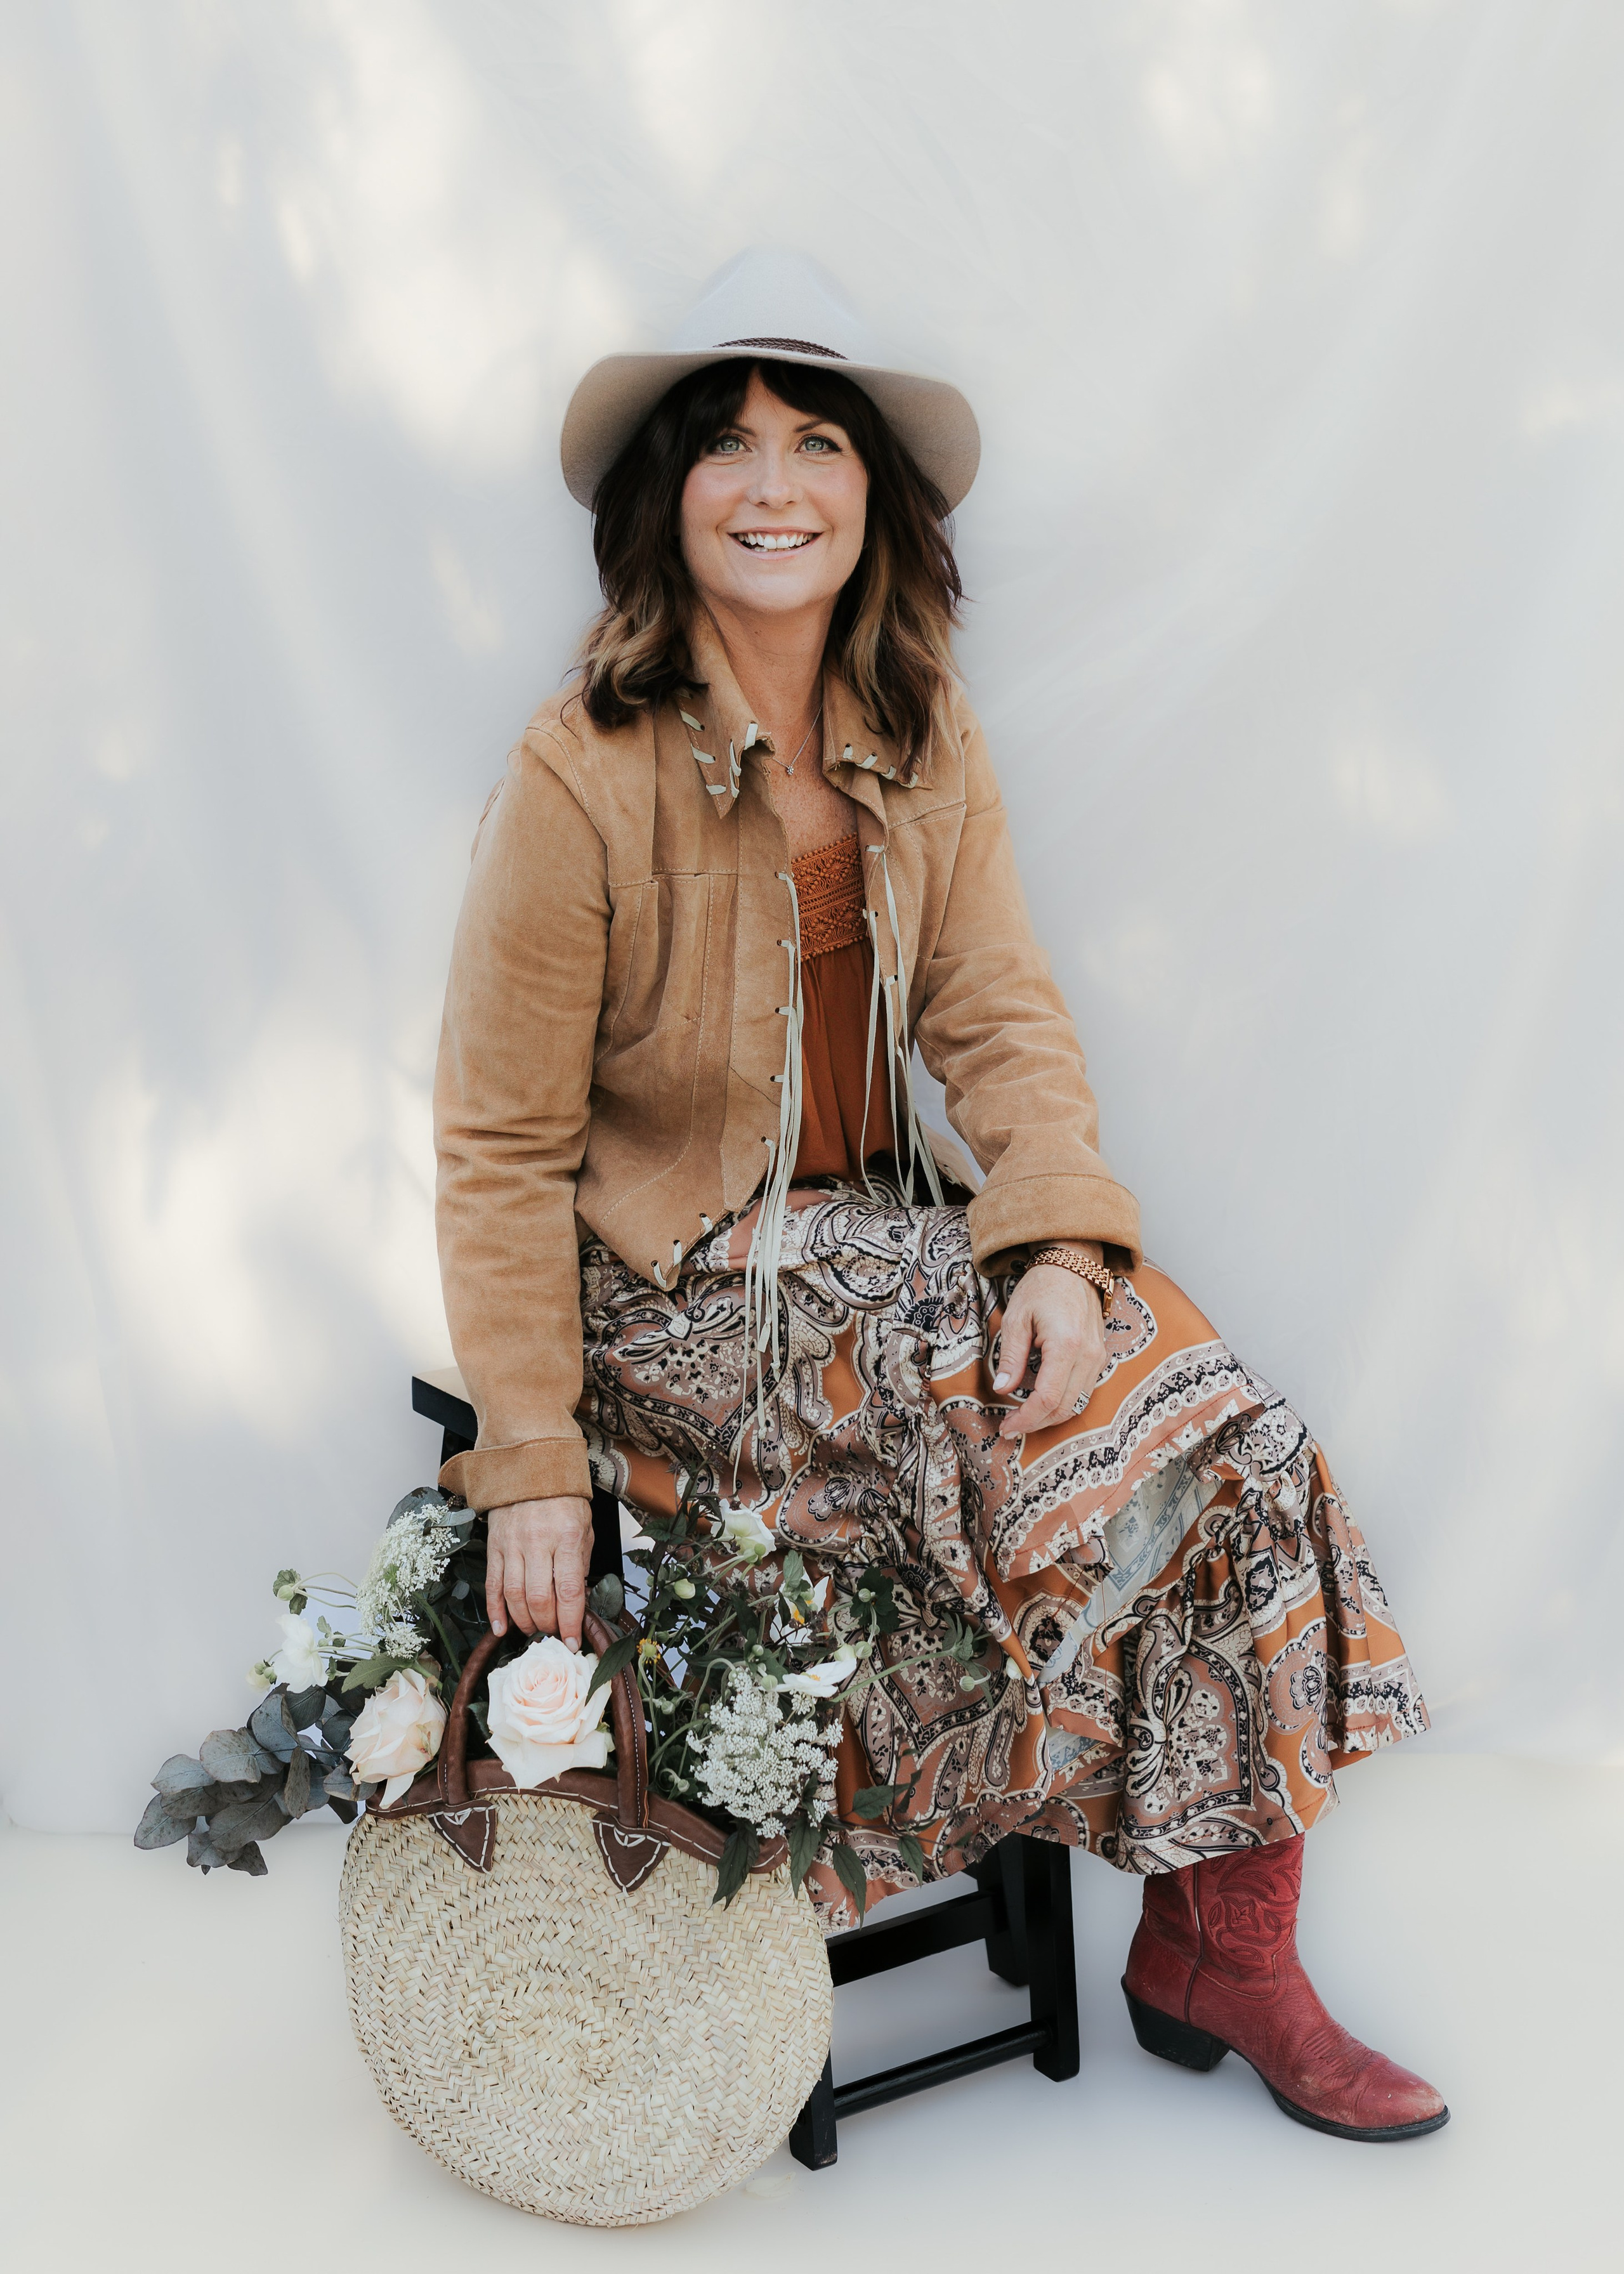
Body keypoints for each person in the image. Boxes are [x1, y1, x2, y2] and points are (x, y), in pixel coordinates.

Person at [433, 253, 1446, 2141]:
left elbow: (998, 1012)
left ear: (870, 500)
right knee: (1037, 1424)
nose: (774, 482)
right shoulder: (581, 775)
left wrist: (1061, 1240)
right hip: (676, 1298)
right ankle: (958, 1850)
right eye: (728, 444)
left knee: (1222, 1430)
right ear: (669, 496)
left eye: (818, 444)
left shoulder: (920, 727)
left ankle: (1232, 1939)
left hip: (881, 1255)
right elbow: (494, 1145)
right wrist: (529, 1451)